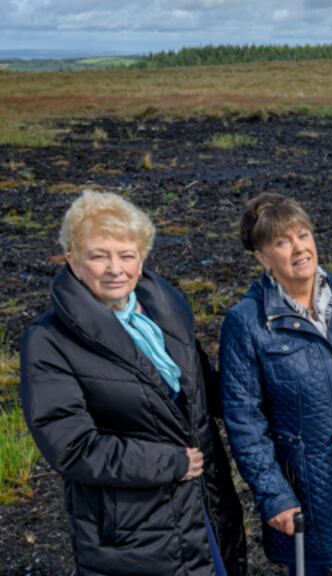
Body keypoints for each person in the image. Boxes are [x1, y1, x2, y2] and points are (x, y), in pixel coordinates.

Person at [19, 190, 246, 576]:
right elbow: (72, 447)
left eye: (126, 255)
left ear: (141, 261)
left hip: (203, 504)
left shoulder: (167, 310)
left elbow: (204, 395)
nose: (115, 269)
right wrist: (170, 462)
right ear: (72, 260)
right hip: (130, 530)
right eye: (98, 255)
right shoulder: (48, 340)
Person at [218, 193, 332, 575]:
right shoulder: (247, 323)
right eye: (282, 242)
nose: (299, 248)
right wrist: (274, 496)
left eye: (303, 234)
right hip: (305, 491)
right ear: (262, 257)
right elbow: (244, 423)